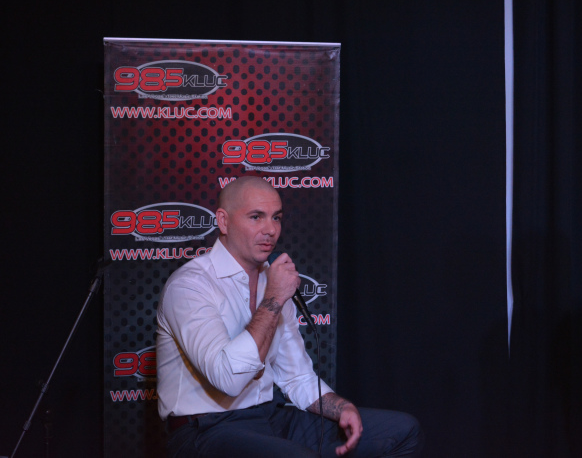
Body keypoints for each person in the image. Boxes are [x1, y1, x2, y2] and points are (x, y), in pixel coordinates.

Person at [157, 176, 423, 457]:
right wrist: (273, 299)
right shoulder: (190, 285)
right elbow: (228, 380)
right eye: (256, 217)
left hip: (269, 418)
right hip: (206, 429)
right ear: (223, 221)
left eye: (277, 217)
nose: (271, 230)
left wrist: (341, 407)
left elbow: (297, 377)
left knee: (402, 431)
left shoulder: (273, 281)